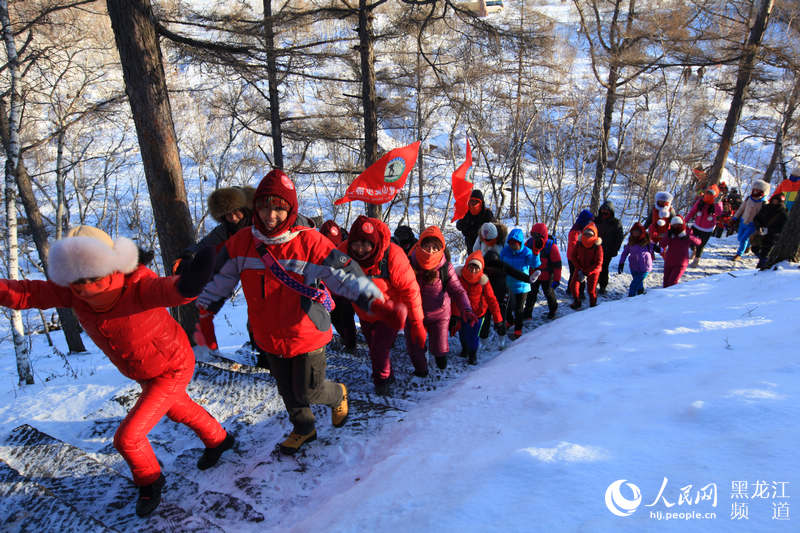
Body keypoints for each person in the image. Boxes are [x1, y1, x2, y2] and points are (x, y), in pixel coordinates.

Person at [0, 226, 233, 517]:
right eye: (76, 280)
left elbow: (172, 291)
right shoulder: (73, 294)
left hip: (171, 366)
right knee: (177, 409)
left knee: (128, 437)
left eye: (92, 276)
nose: (84, 287)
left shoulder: (135, 287)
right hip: (142, 370)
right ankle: (220, 440)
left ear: (110, 266)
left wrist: (192, 282)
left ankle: (150, 481)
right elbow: (27, 294)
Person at [195, 169, 403, 455]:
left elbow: (344, 275)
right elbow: (219, 281)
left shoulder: (309, 242)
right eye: (265, 207)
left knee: (309, 390)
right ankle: (304, 428)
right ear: (255, 207)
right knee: (287, 391)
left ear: (291, 209)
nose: (270, 216)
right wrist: (205, 314)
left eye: (279, 209)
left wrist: (375, 301)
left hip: (306, 333)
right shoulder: (242, 242)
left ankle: (338, 393)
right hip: (268, 334)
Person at [340, 215, 424, 395]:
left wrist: (417, 323)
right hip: (364, 312)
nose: (360, 250)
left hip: (391, 312)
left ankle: (382, 381)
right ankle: (388, 373)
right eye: (356, 244)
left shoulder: (392, 255)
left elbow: (411, 289)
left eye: (366, 244)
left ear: (375, 243)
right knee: (375, 348)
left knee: (378, 349)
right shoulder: (343, 253)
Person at [407, 226, 477, 371]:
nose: (430, 251)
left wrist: (466, 308)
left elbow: (458, 291)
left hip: (439, 314)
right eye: (427, 246)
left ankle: (441, 366)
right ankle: (421, 372)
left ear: (441, 249)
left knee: (440, 350)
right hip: (413, 315)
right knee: (415, 350)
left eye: (435, 247)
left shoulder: (445, 267)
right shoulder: (408, 263)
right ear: (420, 245)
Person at [452, 250, 504, 364]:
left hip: (477, 314)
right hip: (462, 313)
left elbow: (492, 300)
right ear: (467, 265)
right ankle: (465, 348)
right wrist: (455, 315)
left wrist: (498, 320)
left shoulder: (483, 281)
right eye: (471, 266)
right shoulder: (458, 278)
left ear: (481, 269)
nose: (473, 270)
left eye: (477, 268)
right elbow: (454, 297)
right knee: (463, 333)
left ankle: (472, 354)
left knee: (473, 336)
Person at [320, 220, 357, 352]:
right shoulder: (319, 245)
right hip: (330, 290)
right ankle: (345, 337)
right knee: (335, 317)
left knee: (347, 316)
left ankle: (351, 344)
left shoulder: (348, 246)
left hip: (346, 289)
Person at [500, 228, 541, 340]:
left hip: (522, 286)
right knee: (507, 306)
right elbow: (500, 262)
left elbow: (534, 264)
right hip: (508, 285)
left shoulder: (526, 252)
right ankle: (510, 321)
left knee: (518, 309)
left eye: (515, 244)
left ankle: (518, 328)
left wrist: (536, 253)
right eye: (511, 243)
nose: (512, 246)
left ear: (520, 243)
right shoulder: (505, 251)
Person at [523, 223, 562, 320]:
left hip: (547, 276)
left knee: (548, 293)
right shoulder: (529, 243)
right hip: (533, 275)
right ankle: (528, 313)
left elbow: (557, 265)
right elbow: (522, 257)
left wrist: (556, 279)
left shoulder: (551, 247)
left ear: (542, 235)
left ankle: (553, 309)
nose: (534, 237)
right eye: (533, 235)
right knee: (531, 294)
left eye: (536, 235)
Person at [684, 184, 722, 267]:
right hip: (696, 225)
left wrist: (717, 203)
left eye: (711, 194)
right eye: (708, 193)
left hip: (707, 229)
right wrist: (684, 221)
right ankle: (693, 250)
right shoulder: (701, 201)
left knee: (701, 245)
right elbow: (692, 211)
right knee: (690, 241)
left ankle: (696, 259)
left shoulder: (717, 203)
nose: (708, 195)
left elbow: (719, 213)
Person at [732, 179, 770, 261]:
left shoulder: (764, 203)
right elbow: (741, 208)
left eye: (758, 190)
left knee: (743, 239)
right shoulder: (748, 198)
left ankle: (739, 254)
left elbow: (764, 216)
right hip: (743, 221)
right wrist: (735, 217)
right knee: (739, 237)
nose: (755, 191)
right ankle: (748, 245)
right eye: (754, 189)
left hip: (753, 224)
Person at [568, 222, 603, 309]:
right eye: (586, 234)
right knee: (573, 286)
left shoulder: (597, 246)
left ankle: (593, 305)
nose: (587, 236)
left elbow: (598, 263)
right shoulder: (579, 243)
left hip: (593, 271)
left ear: (594, 235)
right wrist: (579, 268)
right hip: (581, 267)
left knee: (591, 290)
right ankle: (577, 301)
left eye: (590, 234)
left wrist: (587, 273)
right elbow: (573, 256)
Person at [660, 216, 701, 287]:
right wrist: (667, 236)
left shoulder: (687, 232)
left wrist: (689, 237)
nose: (676, 227)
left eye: (678, 224)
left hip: (681, 262)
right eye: (674, 225)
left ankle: (671, 297)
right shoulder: (670, 233)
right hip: (669, 261)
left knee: (672, 283)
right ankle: (665, 297)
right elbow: (662, 244)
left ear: (682, 224)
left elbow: (698, 242)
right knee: (665, 282)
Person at [617, 222, 656, 297]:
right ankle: (640, 293)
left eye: (637, 231)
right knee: (638, 282)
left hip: (645, 267)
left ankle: (630, 297)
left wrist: (660, 250)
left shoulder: (647, 241)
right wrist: (621, 263)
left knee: (634, 284)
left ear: (641, 232)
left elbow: (658, 248)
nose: (635, 233)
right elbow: (624, 253)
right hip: (634, 267)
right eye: (633, 231)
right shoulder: (631, 242)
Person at [752, 192, 789, 269]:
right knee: (755, 249)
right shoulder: (766, 208)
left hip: (772, 236)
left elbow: (783, 227)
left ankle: (762, 266)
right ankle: (763, 261)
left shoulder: (783, 213)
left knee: (765, 252)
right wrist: (758, 227)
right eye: (774, 200)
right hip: (761, 233)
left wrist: (772, 231)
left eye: (777, 200)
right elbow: (757, 218)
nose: (775, 201)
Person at [595, 201, 624, 295]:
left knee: (604, 267)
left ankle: (603, 286)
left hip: (608, 249)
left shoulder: (616, 222)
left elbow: (619, 237)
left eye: (606, 210)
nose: (604, 212)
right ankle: (594, 283)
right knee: (595, 266)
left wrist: (615, 249)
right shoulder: (597, 220)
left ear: (611, 211)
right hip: (595, 248)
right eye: (603, 210)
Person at [567, 210, 594, 304]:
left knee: (576, 274)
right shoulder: (576, 230)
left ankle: (571, 290)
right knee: (578, 274)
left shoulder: (582, 229)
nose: (590, 223)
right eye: (589, 221)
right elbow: (574, 245)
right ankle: (578, 292)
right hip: (574, 257)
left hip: (577, 256)